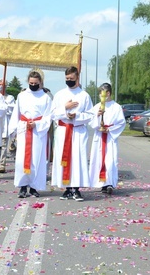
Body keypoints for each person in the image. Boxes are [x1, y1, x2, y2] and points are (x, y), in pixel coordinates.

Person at [51, 66, 93, 201]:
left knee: (77, 158)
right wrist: (65, 109)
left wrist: (76, 116)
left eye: (71, 78)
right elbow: (52, 114)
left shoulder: (84, 95)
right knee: (63, 159)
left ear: (77, 78)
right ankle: (67, 188)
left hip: (78, 131)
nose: (69, 80)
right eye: (67, 79)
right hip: (63, 131)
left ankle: (76, 189)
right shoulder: (59, 95)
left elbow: (90, 115)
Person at [8, 69, 53, 198]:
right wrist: (13, 130)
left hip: (38, 132)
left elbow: (48, 116)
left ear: (40, 82)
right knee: (22, 159)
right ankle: (22, 186)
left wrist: (37, 124)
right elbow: (16, 113)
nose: (33, 85)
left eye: (35, 83)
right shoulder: (22, 96)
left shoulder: (45, 98)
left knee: (36, 159)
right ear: (28, 82)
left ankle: (34, 187)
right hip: (24, 129)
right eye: (31, 82)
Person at [88, 83, 126, 195]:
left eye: (103, 93)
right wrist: (97, 115)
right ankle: (100, 182)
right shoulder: (96, 107)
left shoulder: (116, 107)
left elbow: (121, 123)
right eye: (100, 94)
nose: (101, 96)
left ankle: (109, 183)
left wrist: (110, 129)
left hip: (110, 137)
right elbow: (91, 122)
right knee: (98, 160)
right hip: (99, 137)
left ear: (108, 93)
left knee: (110, 161)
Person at [0, 79, 16, 173]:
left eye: (3, 84)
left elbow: (9, 109)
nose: (1, 86)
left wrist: (1, 105)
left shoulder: (10, 97)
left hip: (5, 124)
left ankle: (1, 164)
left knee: (3, 145)